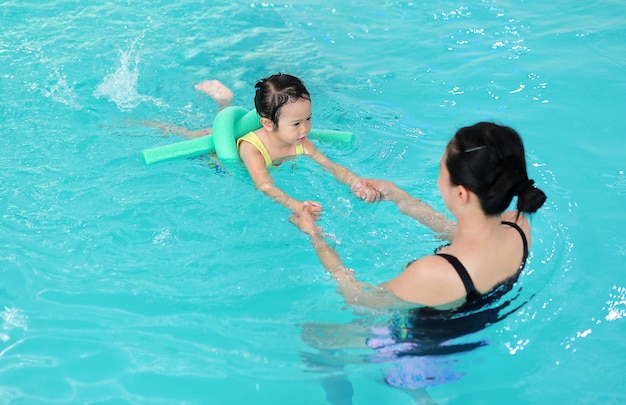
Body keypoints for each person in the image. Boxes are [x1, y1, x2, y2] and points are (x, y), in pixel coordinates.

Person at [291, 122, 547, 397]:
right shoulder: (518, 226)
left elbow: (358, 298)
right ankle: (420, 397)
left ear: (461, 193)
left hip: (420, 358)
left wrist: (317, 237)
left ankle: (399, 387)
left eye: (441, 170)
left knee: (313, 336)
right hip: (466, 344)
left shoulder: (433, 273)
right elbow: (459, 232)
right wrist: (399, 197)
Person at [144, 74, 380, 218]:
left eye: (308, 119)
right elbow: (264, 185)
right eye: (296, 123)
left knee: (221, 121)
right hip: (216, 152)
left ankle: (224, 101)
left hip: (237, 137)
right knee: (179, 133)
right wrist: (295, 205)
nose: (305, 129)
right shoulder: (253, 148)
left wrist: (356, 183)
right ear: (268, 123)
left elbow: (332, 166)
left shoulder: (300, 142)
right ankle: (148, 122)